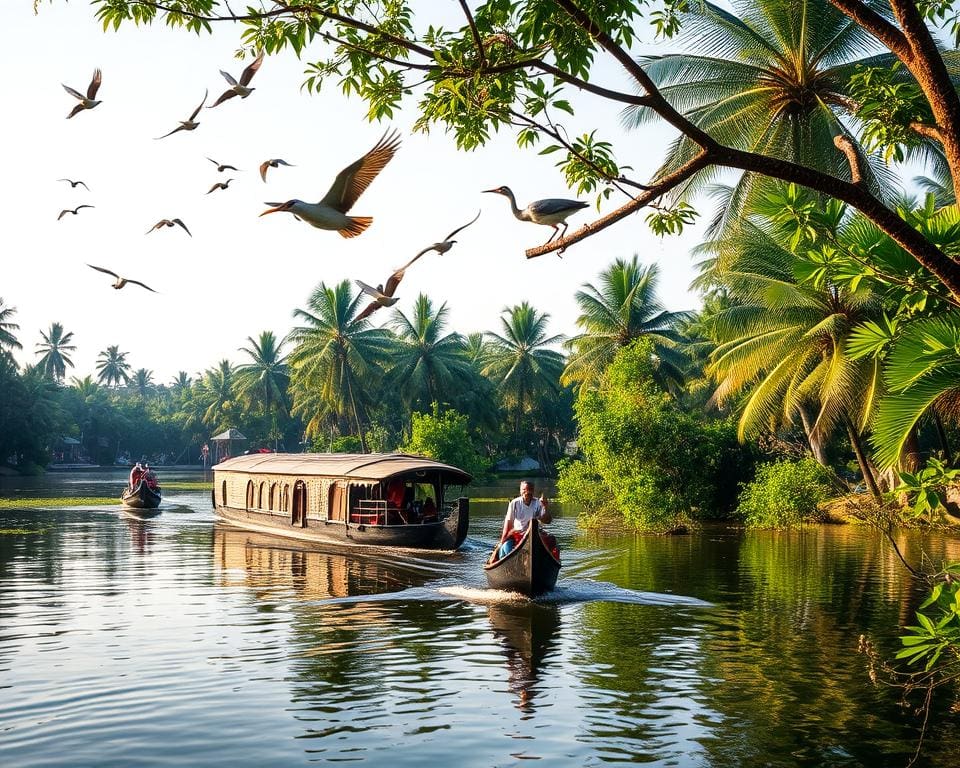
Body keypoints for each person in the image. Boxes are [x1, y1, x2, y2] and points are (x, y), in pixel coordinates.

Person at [496, 480, 552, 559]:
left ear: (533, 491)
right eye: (524, 490)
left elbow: (547, 521)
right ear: (520, 491)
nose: (527, 492)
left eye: (530, 489)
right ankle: (509, 560)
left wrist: (545, 507)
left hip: (535, 535)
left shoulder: (538, 503)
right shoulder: (514, 503)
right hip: (518, 534)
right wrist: (503, 540)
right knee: (505, 546)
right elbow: (508, 523)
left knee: (552, 543)